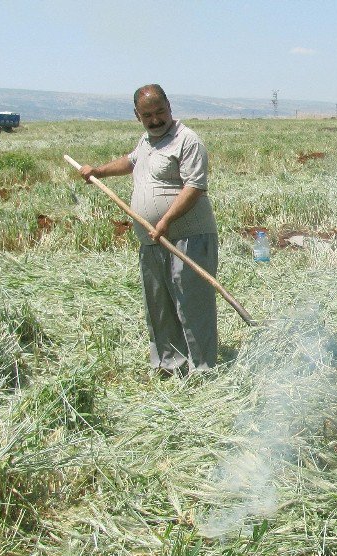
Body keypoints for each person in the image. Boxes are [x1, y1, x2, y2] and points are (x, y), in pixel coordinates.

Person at [79, 85, 218, 375]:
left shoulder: (187, 140)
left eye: (159, 112)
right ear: (137, 116)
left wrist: (165, 220)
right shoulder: (146, 142)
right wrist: (99, 172)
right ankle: (170, 363)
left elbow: (195, 187)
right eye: (147, 115)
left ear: (170, 107)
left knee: (192, 304)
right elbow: (130, 162)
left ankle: (203, 368)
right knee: (159, 303)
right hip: (152, 240)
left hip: (187, 236)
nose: (155, 120)